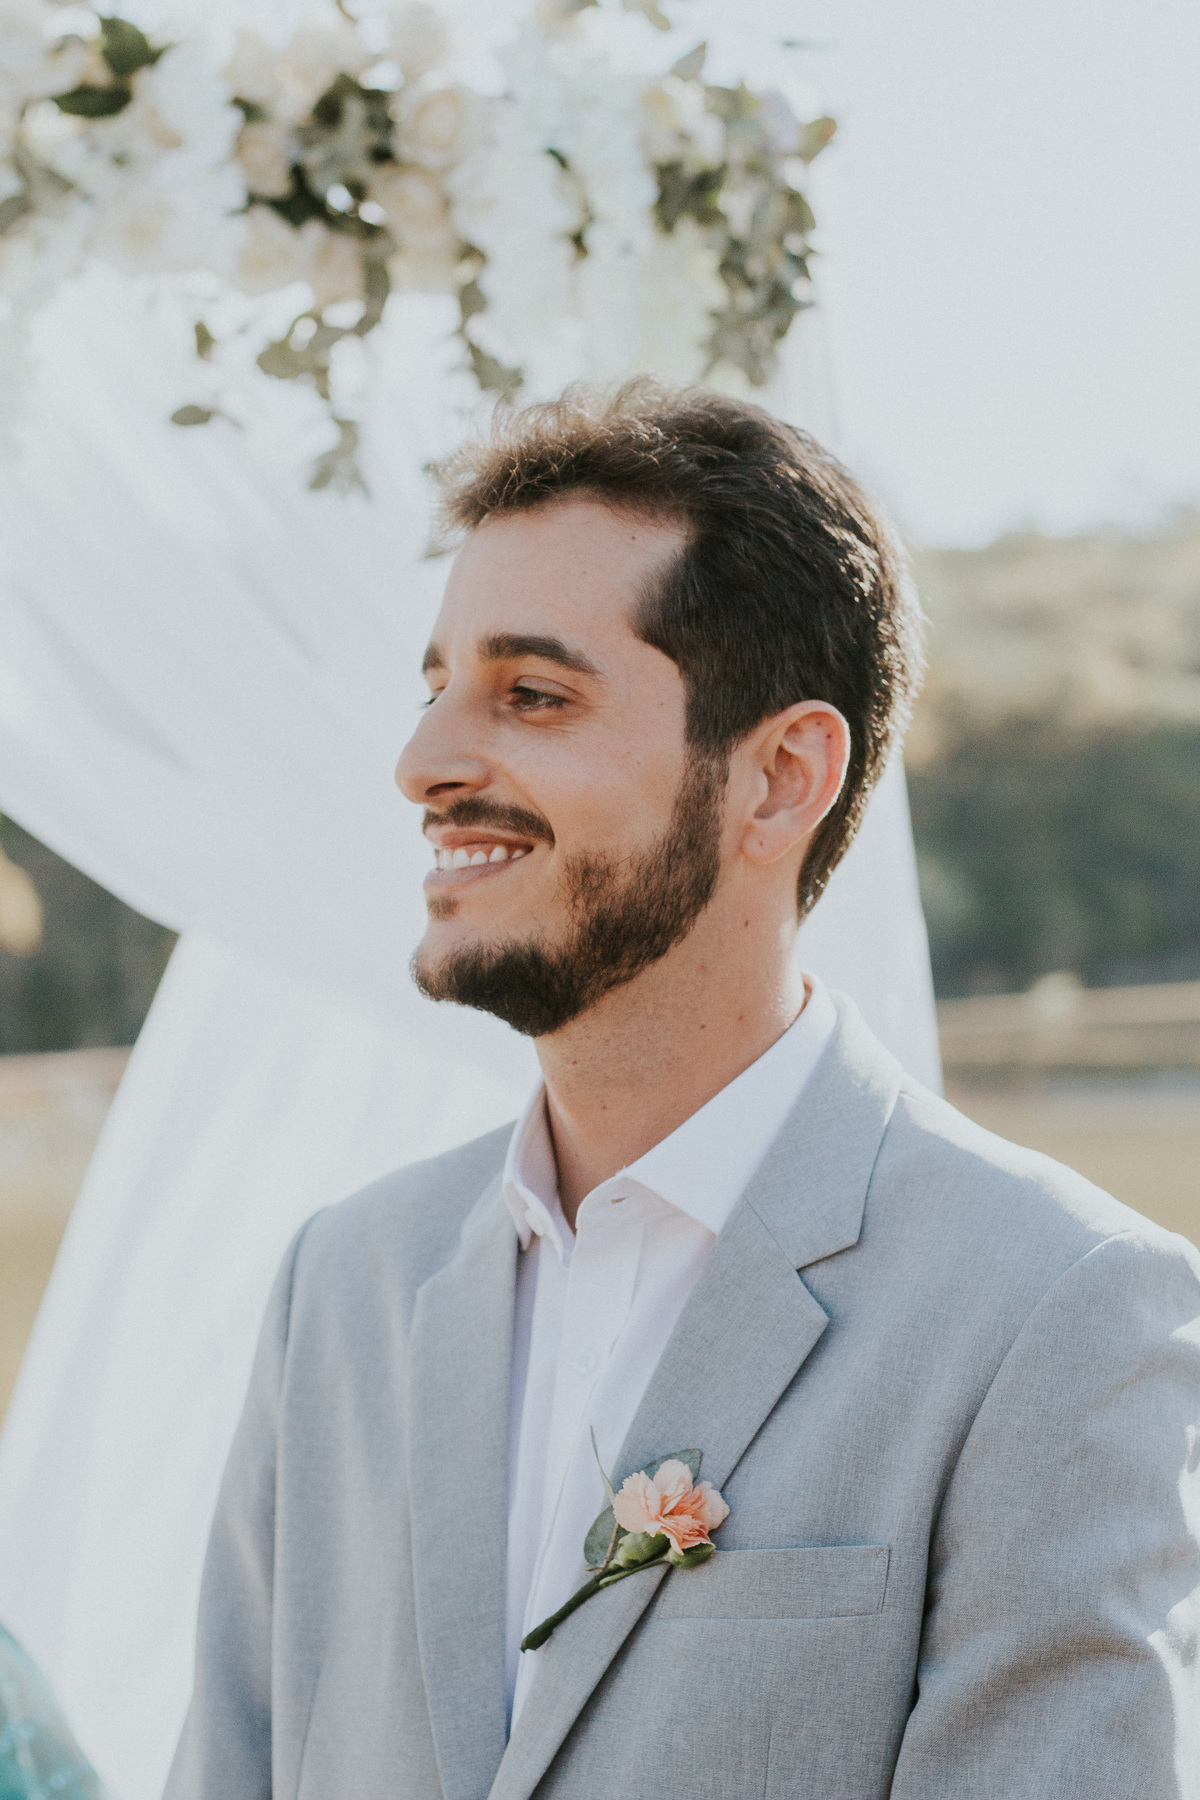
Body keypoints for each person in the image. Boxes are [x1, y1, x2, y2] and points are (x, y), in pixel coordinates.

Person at [165, 384, 1200, 1800]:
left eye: (532, 694)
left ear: (781, 777)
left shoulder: (1060, 1313)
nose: (425, 763)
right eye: (437, 687)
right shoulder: (343, 1285)